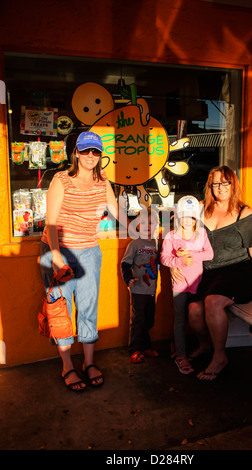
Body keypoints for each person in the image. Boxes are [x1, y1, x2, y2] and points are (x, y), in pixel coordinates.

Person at [171, 166, 252, 381]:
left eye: (225, 182)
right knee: (193, 310)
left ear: (233, 184)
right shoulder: (202, 211)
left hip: (237, 273)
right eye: (216, 183)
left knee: (212, 302)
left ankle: (220, 357)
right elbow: (180, 237)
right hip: (209, 274)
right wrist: (175, 262)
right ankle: (204, 346)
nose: (220, 188)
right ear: (210, 186)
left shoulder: (245, 213)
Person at [40, 131, 119, 392]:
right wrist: (57, 257)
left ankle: (88, 362)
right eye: (85, 151)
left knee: (88, 308)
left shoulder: (103, 180)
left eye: (95, 152)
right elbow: (51, 223)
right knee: (61, 311)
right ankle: (67, 366)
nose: (90, 156)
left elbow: (116, 212)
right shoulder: (61, 180)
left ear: (100, 155)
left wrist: (147, 224)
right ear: (76, 153)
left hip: (89, 252)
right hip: (59, 250)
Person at [160, 196, 213, 375]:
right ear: (177, 216)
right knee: (180, 319)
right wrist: (178, 261)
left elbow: (210, 254)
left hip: (198, 284)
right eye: (184, 216)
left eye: (192, 216)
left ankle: (204, 346)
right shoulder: (171, 236)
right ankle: (181, 354)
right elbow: (164, 258)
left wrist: (190, 255)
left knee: (199, 315)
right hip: (180, 285)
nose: (188, 220)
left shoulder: (202, 234)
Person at [121, 208, 160, 363]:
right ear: (137, 225)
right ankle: (135, 349)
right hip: (138, 288)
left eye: (151, 222)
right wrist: (128, 278)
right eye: (143, 222)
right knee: (138, 319)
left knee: (149, 319)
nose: (147, 225)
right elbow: (125, 264)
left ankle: (145, 346)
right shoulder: (134, 244)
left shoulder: (157, 243)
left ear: (157, 225)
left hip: (151, 289)